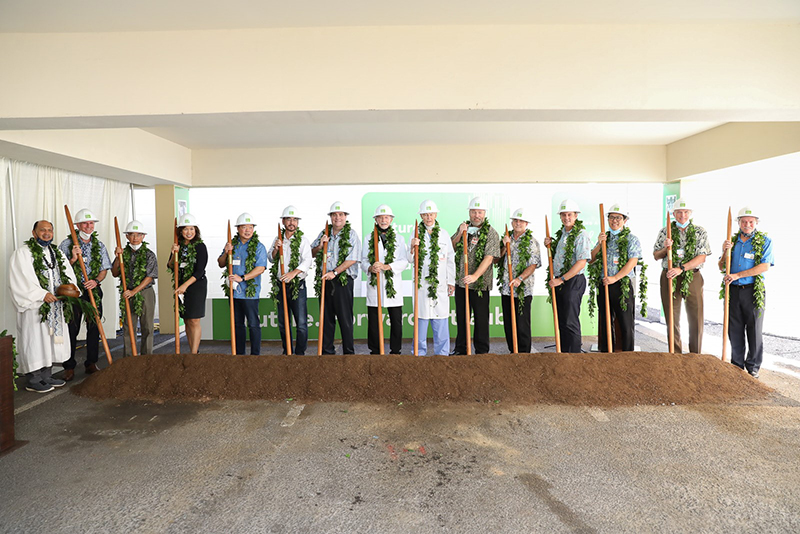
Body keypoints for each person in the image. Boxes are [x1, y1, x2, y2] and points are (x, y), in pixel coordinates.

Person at [10, 221, 77, 392]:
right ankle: (34, 379)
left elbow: (68, 274)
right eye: (42, 230)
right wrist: (41, 295)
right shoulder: (23, 253)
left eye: (50, 230)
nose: (46, 233)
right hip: (35, 307)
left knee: (50, 341)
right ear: (34, 232)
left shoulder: (57, 253)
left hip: (56, 305)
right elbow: (20, 279)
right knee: (35, 341)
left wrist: (67, 291)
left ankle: (46, 375)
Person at [719, 206, 774, 378]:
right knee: (734, 329)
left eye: (750, 221)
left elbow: (764, 266)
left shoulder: (764, 240)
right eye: (743, 221)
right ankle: (736, 365)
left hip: (752, 291)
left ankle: (753, 366)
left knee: (754, 329)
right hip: (733, 291)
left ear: (756, 222)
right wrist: (724, 252)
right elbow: (721, 266)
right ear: (738, 223)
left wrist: (738, 275)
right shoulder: (732, 241)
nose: (747, 224)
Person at [59, 208, 112, 381]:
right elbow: (59, 270)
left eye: (91, 223)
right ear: (77, 225)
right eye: (85, 223)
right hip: (74, 292)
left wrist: (96, 281)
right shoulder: (67, 244)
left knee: (93, 327)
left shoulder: (99, 245)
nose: (88, 226)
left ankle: (91, 363)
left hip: (93, 290)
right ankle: (69, 366)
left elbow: (104, 269)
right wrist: (73, 259)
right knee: (72, 328)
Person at [653, 198, 711, 354]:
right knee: (672, 317)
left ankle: (695, 354)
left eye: (686, 212)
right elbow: (656, 255)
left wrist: (681, 268)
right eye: (679, 212)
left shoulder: (700, 232)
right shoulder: (665, 231)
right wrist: (665, 249)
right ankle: (675, 354)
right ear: (674, 214)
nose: (682, 215)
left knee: (696, 317)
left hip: (692, 276)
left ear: (690, 213)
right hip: (669, 277)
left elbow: (702, 257)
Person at [588, 203, 643, 352]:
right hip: (604, 284)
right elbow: (591, 259)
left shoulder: (632, 239)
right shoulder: (604, 238)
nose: (614, 221)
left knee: (625, 322)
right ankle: (606, 353)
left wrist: (615, 278)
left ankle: (627, 354)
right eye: (612, 217)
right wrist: (600, 244)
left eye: (618, 218)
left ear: (625, 220)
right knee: (605, 321)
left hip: (622, 284)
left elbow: (633, 261)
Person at [451, 196, 500, 354]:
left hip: (480, 284)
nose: (476, 215)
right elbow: (452, 246)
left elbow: (489, 258)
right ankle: (461, 349)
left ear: (484, 213)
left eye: (479, 212)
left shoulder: (491, 233)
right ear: (469, 213)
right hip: (462, 283)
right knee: (462, 318)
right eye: (473, 212)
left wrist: (475, 276)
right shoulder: (464, 228)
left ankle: (482, 351)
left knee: (481, 319)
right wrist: (460, 233)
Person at [311, 201, 361, 355]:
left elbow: (352, 259)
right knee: (326, 318)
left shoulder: (351, 234)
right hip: (326, 281)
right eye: (334, 215)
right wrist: (320, 246)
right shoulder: (323, 233)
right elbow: (312, 253)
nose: (337, 217)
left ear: (345, 217)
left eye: (340, 214)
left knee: (345, 319)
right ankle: (327, 352)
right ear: (331, 217)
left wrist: (335, 272)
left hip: (342, 281)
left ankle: (348, 352)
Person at [408, 200, 455, 356]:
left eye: (431, 214)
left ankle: (442, 355)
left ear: (436, 215)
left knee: (440, 319)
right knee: (421, 320)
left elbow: (450, 259)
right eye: (425, 214)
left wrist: (451, 281)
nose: (429, 217)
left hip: (440, 285)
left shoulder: (444, 234)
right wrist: (412, 247)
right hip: (421, 285)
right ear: (421, 216)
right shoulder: (414, 234)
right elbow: (408, 259)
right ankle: (418, 354)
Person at [544, 199, 592, 353]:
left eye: (569, 214)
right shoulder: (563, 234)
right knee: (562, 320)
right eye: (563, 215)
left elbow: (581, 262)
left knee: (570, 321)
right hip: (560, 282)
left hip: (572, 281)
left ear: (576, 215)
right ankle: (564, 354)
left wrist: (561, 279)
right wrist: (549, 245)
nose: (566, 218)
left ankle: (574, 357)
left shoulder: (581, 234)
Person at [361, 204, 409, 355]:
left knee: (396, 320)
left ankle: (396, 350)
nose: (383, 220)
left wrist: (388, 266)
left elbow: (404, 261)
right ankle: (375, 350)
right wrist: (370, 268)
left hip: (392, 285)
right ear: (375, 219)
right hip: (375, 285)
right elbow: (362, 260)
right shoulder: (368, 238)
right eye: (380, 217)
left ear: (391, 219)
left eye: (386, 217)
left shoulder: (400, 239)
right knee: (374, 321)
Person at [219, 212, 267, 355]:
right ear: (238, 229)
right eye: (244, 227)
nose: (247, 230)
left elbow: (261, 268)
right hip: (234, 293)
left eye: (250, 227)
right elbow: (221, 264)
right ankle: (239, 355)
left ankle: (255, 355)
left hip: (250, 293)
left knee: (253, 324)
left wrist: (243, 278)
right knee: (237, 325)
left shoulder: (259, 246)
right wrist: (226, 253)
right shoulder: (231, 245)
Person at [268, 206, 313, 355]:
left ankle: (300, 353)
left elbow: (307, 261)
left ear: (298, 222)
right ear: (283, 221)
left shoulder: (303, 240)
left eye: (294, 219)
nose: (292, 222)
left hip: (297, 285)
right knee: (283, 322)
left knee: (301, 323)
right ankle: (287, 350)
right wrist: (275, 249)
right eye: (289, 219)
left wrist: (293, 273)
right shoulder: (277, 239)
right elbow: (271, 258)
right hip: (280, 285)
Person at [496, 208, 541, 354]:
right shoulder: (506, 238)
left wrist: (520, 278)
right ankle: (512, 352)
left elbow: (533, 265)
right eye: (515, 220)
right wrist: (504, 245)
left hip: (523, 290)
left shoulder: (531, 242)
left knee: (522, 324)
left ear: (526, 223)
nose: (518, 223)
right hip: (506, 289)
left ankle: (524, 355)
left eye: (521, 221)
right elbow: (497, 260)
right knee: (508, 324)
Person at [111, 220, 158, 356]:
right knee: (128, 327)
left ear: (143, 236)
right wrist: (117, 257)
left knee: (147, 326)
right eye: (132, 235)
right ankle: (129, 359)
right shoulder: (123, 254)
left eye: (139, 235)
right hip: (127, 292)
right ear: (127, 236)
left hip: (145, 292)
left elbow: (150, 277)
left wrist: (134, 291)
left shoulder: (149, 255)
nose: (135, 238)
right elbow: (115, 273)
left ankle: (146, 357)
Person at [169, 214, 208, 354]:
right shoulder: (177, 245)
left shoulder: (200, 246)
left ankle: (194, 353)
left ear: (196, 230)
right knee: (186, 319)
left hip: (196, 285)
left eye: (192, 229)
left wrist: (185, 285)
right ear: (180, 231)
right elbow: (170, 265)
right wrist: (174, 254)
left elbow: (199, 271)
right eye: (185, 229)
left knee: (194, 319)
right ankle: (193, 351)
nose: (189, 232)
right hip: (181, 286)